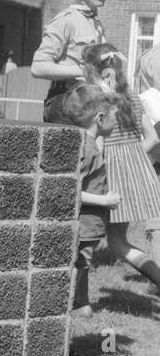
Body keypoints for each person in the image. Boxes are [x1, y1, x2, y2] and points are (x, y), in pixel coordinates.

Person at [71, 43, 160, 290]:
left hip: (109, 175)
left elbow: (97, 144)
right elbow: (153, 139)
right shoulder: (131, 95)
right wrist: (133, 160)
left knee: (91, 237)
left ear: (93, 70)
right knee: (119, 241)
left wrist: (112, 162)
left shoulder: (97, 99)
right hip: (137, 173)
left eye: (84, 68)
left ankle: (79, 299)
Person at [57, 84, 125, 316]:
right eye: (116, 116)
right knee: (79, 264)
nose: (118, 122)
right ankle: (76, 306)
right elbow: (70, 189)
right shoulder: (84, 147)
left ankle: (80, 304)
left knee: (82, 264)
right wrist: (105, 201)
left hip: (88, 227)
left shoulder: (87, 143)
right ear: (100, 118)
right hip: (82, 226)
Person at [32, 0, 120, 122]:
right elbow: (38, 67)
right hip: (65, 101)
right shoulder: (66, 20)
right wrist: (82, 72)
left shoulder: (97, 26)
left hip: (89, 103)